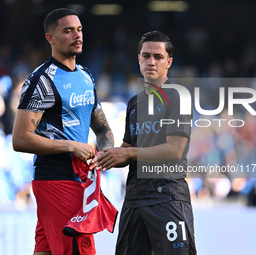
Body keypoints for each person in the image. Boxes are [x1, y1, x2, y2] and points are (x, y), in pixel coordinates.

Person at [12, 8, 114, 255]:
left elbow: (101, 127)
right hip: (57, 178)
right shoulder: (42, 80)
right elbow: (20, 138)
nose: (76, 35)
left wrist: (107, 150)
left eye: (79, 30)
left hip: (77, 178)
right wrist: (71, 146)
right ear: (50, 38)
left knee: (46, 250)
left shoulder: (86, 76)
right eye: (67, 31)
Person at [94, 31, 197, 254]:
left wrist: (127, 154)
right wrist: (106, 155)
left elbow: (175, 150)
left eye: (158, 57)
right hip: (134, 198)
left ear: (169, 62)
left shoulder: (178, 97)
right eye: (146, 55)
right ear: (138, 59)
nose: (151, 61)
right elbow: (127, 150)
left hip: (167, 197)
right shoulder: (134, 103)